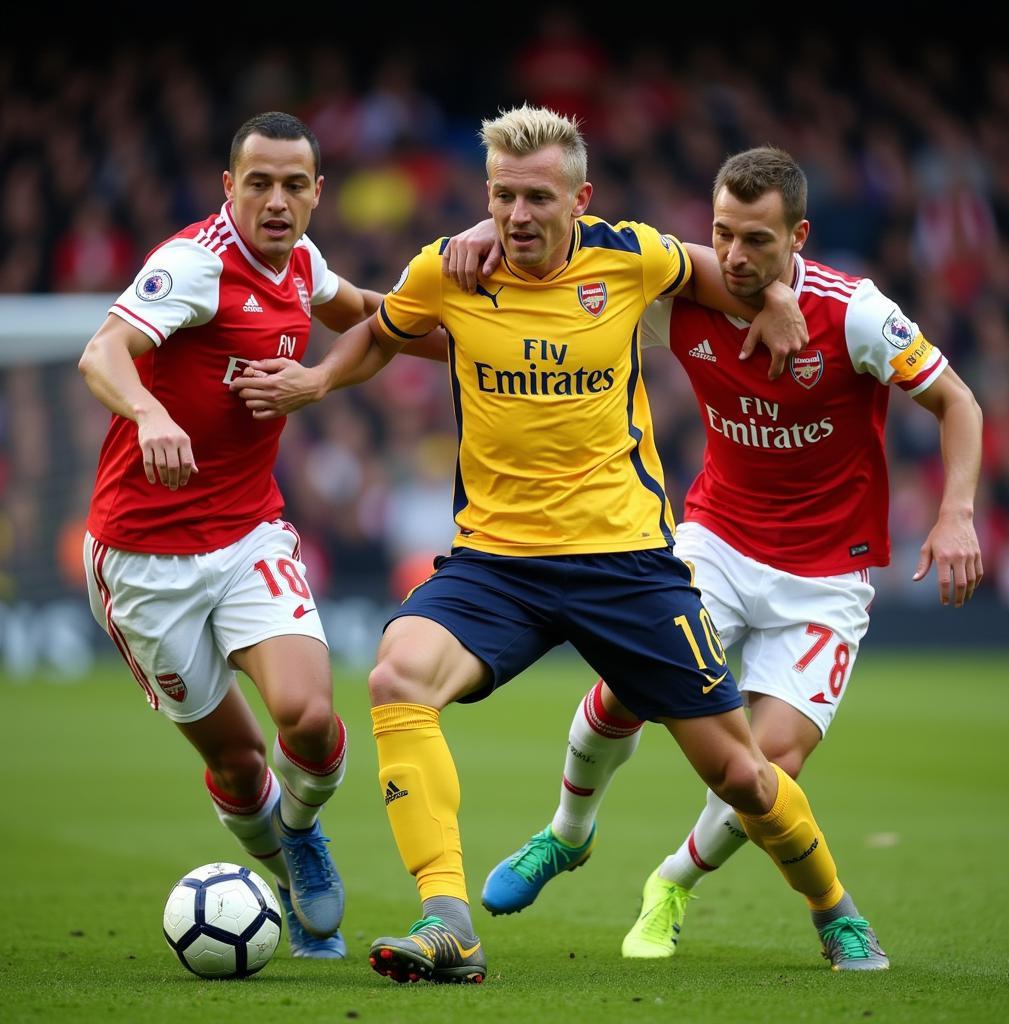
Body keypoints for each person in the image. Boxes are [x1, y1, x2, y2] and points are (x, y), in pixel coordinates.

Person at [232, 106, 877, 985]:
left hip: (629, 566)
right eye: (501, 197)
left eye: (538, 197)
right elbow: (382, 333)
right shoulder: (450, 271)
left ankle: (834, 910)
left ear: (582, 199)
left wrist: (777, 295)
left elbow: (719, 265)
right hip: (497, 563)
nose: (518, 216)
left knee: (746, 778)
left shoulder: (630, 256)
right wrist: (314, 378)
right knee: (395, 676)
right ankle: (446, 921)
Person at [464, 145, 983, 966]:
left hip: (827, 575)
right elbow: (567, 261)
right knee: (626, 688)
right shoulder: (681, 300)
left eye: (758, 243)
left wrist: (956, 513)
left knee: (769, 764)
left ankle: (672, 881)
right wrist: (482, 234)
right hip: (717, 540)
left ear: (799, 236)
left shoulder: (854, 314)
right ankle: (566, 834)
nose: (736, 258)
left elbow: (957, 400)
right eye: (723, 235)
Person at [78, 111, 391, 960]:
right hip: (142, 560)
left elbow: (376, 318)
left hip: (250, 533)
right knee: (243, 762)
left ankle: (299, 834)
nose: (277, 200)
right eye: (259, 182)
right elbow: (102, 352)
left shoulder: (303, 266)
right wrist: (148, 412)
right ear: (229, 188)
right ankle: (285, 876)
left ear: (319, 193)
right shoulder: (194, 264)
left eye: (295, 184)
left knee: (312, 720)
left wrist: (460, 328)